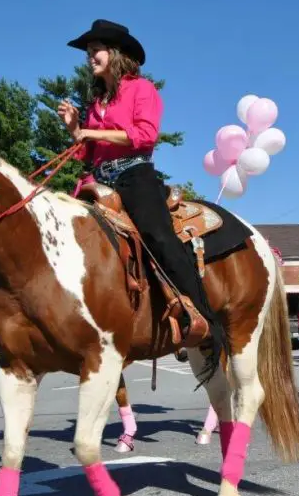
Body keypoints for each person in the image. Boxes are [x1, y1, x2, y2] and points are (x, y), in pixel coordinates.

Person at [58, 19, 225, 370]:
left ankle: (201, 317)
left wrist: (88, 131)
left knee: (158, 236)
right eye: (88, 52)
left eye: (96, 50)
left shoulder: (142, 89)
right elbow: (88, 153)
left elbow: (145, 135)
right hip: (98, 181)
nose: (90, 57)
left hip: (134, 175)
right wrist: (76, 130)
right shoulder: (96, 101)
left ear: (116, 54)